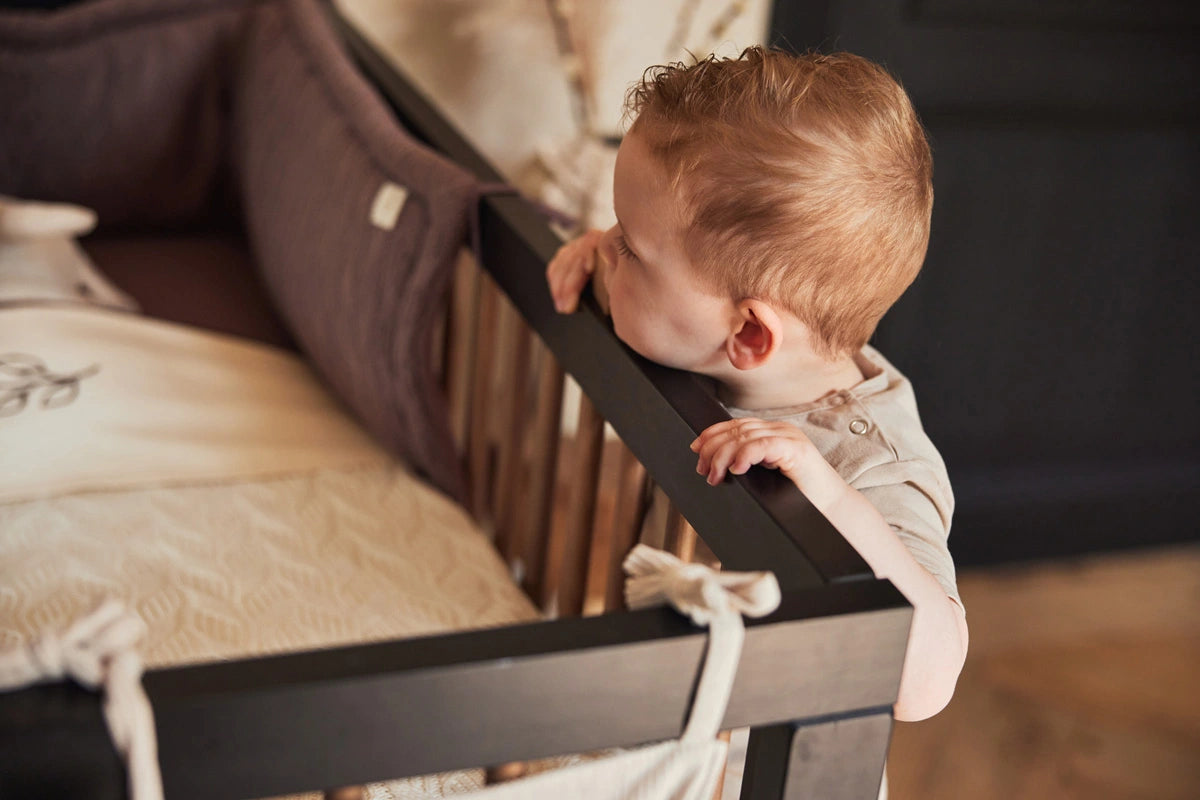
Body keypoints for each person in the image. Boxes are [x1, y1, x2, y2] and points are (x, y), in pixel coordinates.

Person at [546, 47, 967, 722]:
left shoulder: (878, 464)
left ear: (749, 336)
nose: (607, 244)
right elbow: (666, 297)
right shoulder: (715, 338)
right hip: (678, 720)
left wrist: (820, 489)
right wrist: (599, 260)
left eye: (630, 243)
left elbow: (928, 681)